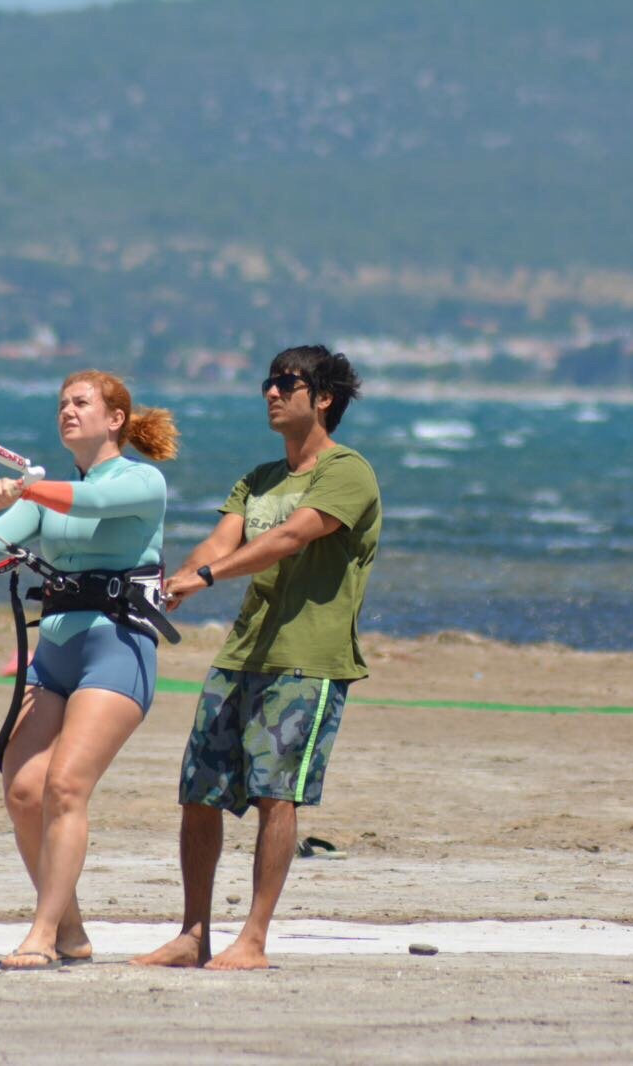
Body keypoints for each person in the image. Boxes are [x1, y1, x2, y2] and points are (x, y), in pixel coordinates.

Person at [0, 369, 178, 971]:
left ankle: (42, 931)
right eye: (61, 404)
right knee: (24, 788)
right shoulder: (45, 494)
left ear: (115, 420)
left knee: (65, 787)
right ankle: (73, 928)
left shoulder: (141, 481)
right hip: (54, 651)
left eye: (81, 402)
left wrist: (26, 490)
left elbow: (93, 502)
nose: (67, 411)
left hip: (119, 647)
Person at [132, 344, 380, 970]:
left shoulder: (348, 472)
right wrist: (171, 583)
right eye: (267, 382)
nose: (270, 392)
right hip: (243, 652)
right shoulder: (259, 478)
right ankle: (194, 935)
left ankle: (254, 939)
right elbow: (222, 538)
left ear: (322, 398)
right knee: (199, 791)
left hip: (309, 659)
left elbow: (290, 538)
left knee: (277, 795)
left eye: (286, 383)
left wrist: (207, 577)